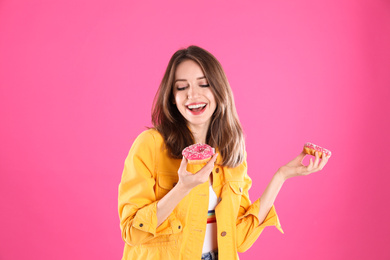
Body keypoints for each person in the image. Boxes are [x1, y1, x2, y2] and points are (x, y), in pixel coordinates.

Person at [118, 45, 330, 260]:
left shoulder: (230, 151)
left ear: (219, 91)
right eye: (181, 87)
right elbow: (132, 233)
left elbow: (240, 240)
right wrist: (182, 188)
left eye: (204, 84)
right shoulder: (150, 144)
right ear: (173, 97)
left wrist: (281, 176)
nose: (193, 94)